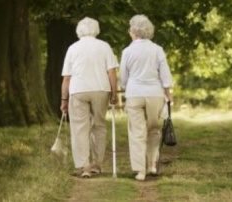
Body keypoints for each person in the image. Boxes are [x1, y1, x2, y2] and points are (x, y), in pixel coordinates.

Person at [60, 17, 118, 178]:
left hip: (78, 90)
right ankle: (97, 164)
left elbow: (66, 78)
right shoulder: (104, 46)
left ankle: (84, 166)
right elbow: (112, 72)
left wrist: (64, 100)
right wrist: (114, 93)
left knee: (79, 128)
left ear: (79, 30)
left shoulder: (73, 48)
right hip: (100, 89)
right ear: (96, 29)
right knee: (99, 125)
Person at [120, 14, 173, 181]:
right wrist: (168, 92)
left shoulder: (127, 51)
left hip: (134, 93)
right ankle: (152, 164)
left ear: (134, 31)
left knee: (137, 132)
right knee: (154, 129)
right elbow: (164, 74)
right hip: (155, 93)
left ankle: (140, 170)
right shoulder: (157, 50)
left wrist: (125, 87)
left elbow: (123, 77)